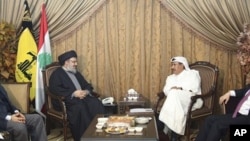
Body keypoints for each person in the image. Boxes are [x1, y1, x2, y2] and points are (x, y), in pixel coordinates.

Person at [49, 50, 105, 141]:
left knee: (96, 103)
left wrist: (86, 92)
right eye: (73, 62)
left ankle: (98, 133)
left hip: (82, 97)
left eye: (76, 61)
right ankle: (85, 137)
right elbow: (54, 89)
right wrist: (73, 93)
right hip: (67, 100)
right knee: (80, 107)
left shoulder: (76, 72)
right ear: (66, 62)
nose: (76, 64)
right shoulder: (57, 74)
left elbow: (86, 85)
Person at [158, 56, 203, 141]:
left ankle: (164, 127)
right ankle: (175, 135)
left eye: (174, 65)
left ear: (182, 65)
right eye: (172, 65)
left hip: (192, 99)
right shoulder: (170, 77)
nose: (172, 68)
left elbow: (194, 89)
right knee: (173, 95)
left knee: (174, 93)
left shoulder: (192, 74)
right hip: (174, 100)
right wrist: (174, 91)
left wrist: (180, 89)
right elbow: (166, 91)